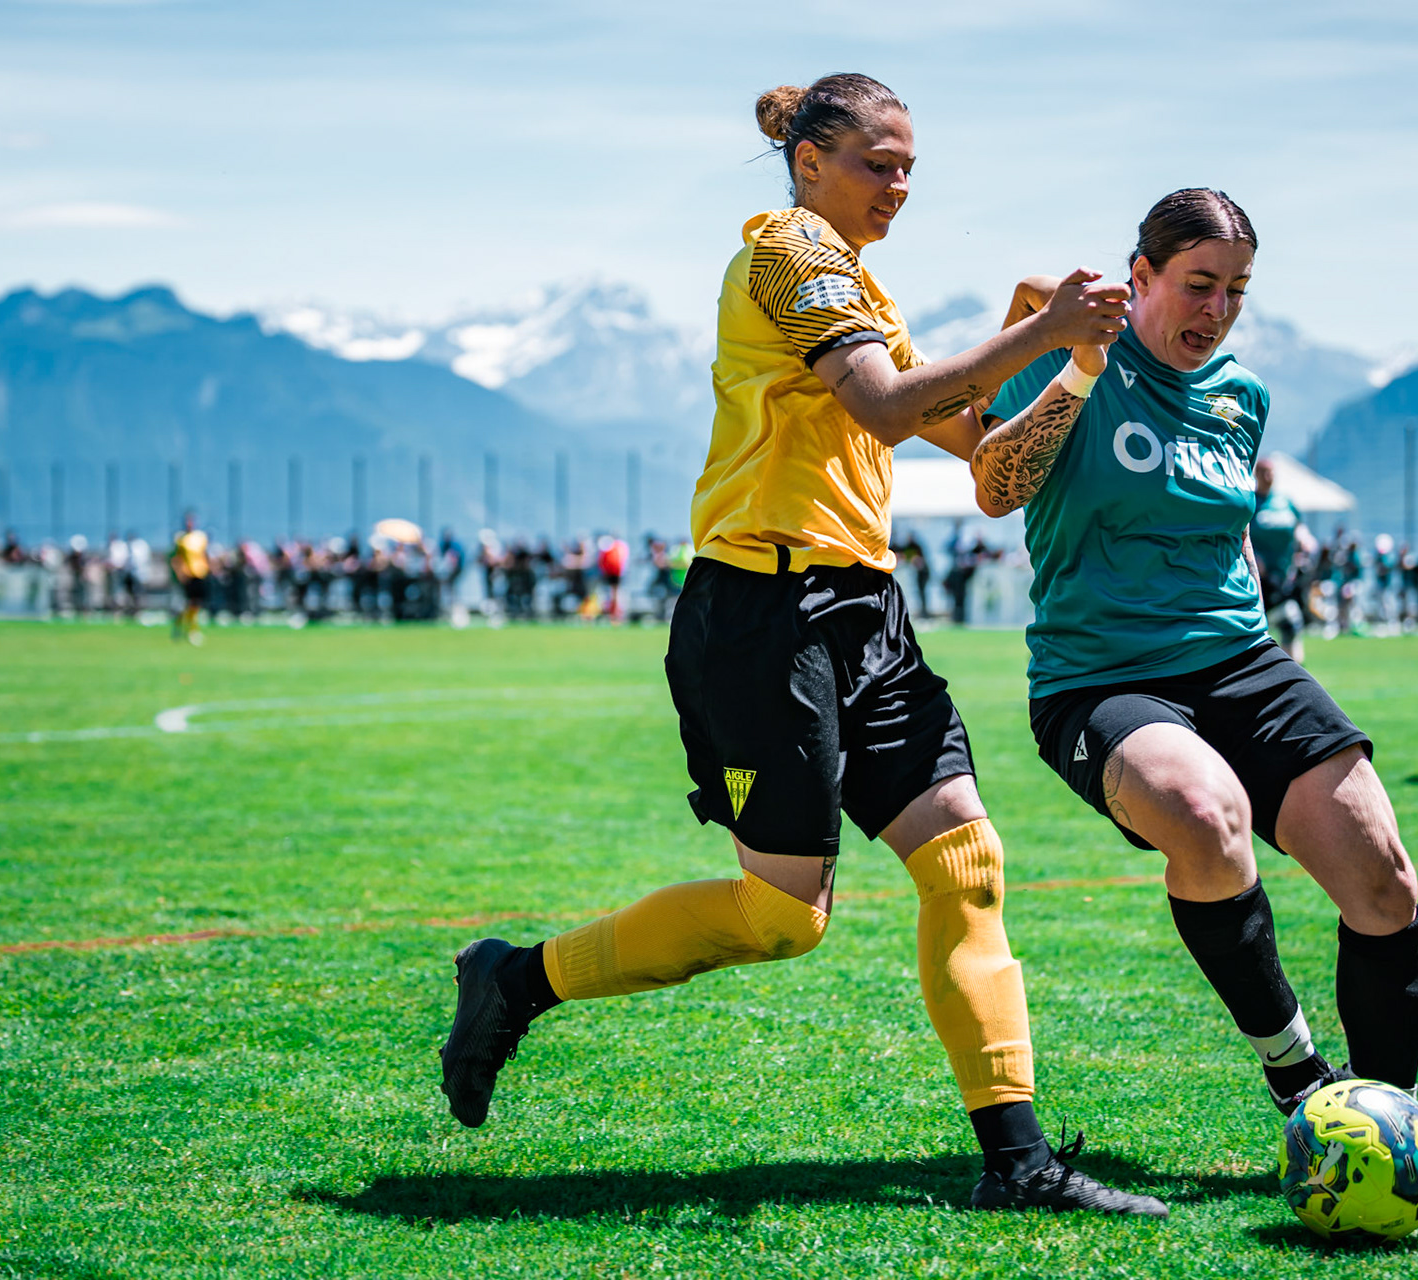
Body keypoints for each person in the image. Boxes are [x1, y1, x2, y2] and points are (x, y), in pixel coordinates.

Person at [440, 73, 1163, 1216]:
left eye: (913, 167)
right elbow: (882, 407)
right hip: (762, 615)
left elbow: (983, 469)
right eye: (881, 163)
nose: (902, 185)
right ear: (810, 159)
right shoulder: (787, 250)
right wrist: (1035, 327)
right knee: (785, 916)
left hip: (864, 611)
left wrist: (1066, 365)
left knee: (967, 862)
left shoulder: (865, 284)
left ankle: (1018, 1162)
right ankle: (517, 978)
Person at [972, 188, 1418, 1190]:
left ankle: (1386, 1133)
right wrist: (1077, 362)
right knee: (1207, 815)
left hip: (1241, 660)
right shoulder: (1071, 347)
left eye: (1238, 291)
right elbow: (996, 483)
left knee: (1383, 874)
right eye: (1199, 284)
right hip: (1101, 673)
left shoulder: (1240, 396)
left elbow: (1230, 529)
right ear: (1143, 277)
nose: (1216, 309)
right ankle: (1301, 1083)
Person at [1249, 457, 1313, 660]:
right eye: (1265, 472)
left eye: (1272, 472)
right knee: (1258, 628)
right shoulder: (1251, 501)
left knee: (1291, 623)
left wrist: (1305, 540)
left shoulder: (1284, 501)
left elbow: (1299, 526)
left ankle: (1295, 670)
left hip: (1285, 576)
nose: (1269, 477)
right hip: (1259, 578)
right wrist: (1253, 558)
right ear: (1256, 474)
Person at [169, 512, 209, 645]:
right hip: (187, 575)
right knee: (187, 604)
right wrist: (180, 574)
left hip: (200, 573)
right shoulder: (181, 538)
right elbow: (176, 558)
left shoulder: (200, 537)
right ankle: (180, 626)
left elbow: (204, 555)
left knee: (196, 604)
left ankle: (192, 629)